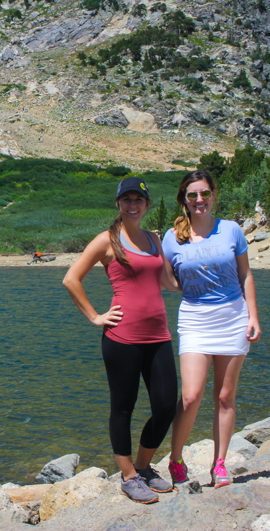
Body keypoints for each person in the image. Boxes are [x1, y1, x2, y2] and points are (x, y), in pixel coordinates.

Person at [63, 177, 181, 504]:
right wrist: (95, 316)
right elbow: (71, 279)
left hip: (158, 336)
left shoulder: (155, 240)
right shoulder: (106, 241)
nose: (133, 205)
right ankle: (128, 475)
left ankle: (143, 467)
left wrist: (207, 280)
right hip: (121, 338)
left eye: (139, 199)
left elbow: (170, 282)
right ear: (119, 204)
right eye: (127, 199)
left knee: (166, 405)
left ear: (147, 204)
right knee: (123, 408)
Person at [161, 170, 261, 489]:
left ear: (214, 195)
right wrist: (194, 287)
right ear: (184, 200)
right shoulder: (171, 237)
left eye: (204, 193)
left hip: (233, 317)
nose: (199, 200)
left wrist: (253, 316)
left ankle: (219, 464)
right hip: (194, 318)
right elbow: (166, 280)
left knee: (225, 396)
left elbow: (245, 275)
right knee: (190, 396)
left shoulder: (231, 230)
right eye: (193, 195)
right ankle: (176, 459)